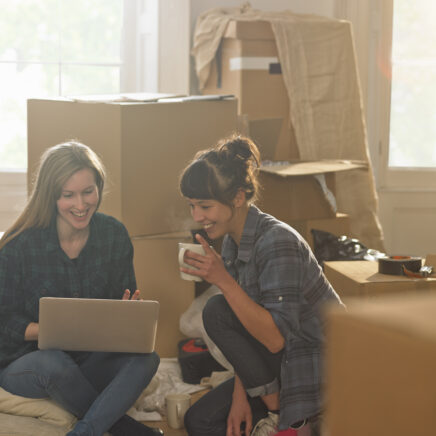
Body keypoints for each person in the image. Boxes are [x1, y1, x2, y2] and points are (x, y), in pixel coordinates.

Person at [178, 135, 345, 436]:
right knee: (199, 422)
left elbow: (275, 339)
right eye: (192, 206)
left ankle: (290, 419)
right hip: (278, 365)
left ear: (238, 197)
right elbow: (247, 332)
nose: (197, 217)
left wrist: (222, 280)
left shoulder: (277, 241)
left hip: (311, 364)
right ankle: (277, 414)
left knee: (217, 308)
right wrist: (240, 397)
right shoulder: (232, 243)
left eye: (205, 206)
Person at [0, 141, 163, 436]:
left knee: (148, 358)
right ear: (51, 196)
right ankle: (127, 430)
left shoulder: (113, 234)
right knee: (53, 361)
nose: (80, 204)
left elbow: (124, 305)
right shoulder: (18, 245)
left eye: (88, 191)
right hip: (28, 364)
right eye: (68, 195)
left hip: (91, 359)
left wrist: (127, 317)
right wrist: (51, 330)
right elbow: (3, 321)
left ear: (99, 187)